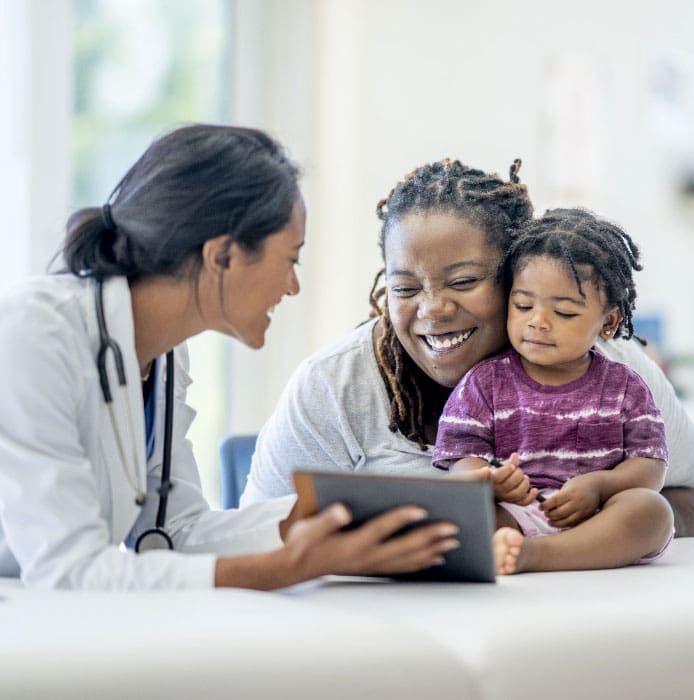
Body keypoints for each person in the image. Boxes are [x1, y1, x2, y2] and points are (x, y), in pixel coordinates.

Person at [0, 124, 462, 590]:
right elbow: (68, 573)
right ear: (222, 256)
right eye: (291, 259)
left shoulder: (162, 357)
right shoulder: (34, 334)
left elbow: (175, 532)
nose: (292, 286)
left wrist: (334, 514)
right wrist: (287, 568)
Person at [240, 158, 694, 537]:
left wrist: (594, 513)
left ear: (519, 273)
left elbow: (682, 496)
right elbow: (259, 536)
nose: (433, 310)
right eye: (405, 288)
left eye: (464, 281)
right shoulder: (332, 386)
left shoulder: (609, 365)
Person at [433, 208, 673, 573]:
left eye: (564, 313)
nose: (538, 322)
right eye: (523, 305)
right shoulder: (483, 384)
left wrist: (600, 485)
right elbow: (462, 463)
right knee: (459, 513)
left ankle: (538, 556)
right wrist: (491, 482)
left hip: (599, 517)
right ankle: (513, 547)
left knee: (652, 511)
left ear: (608, 322)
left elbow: (650, 467)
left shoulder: (625, 387)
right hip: (514, 514)